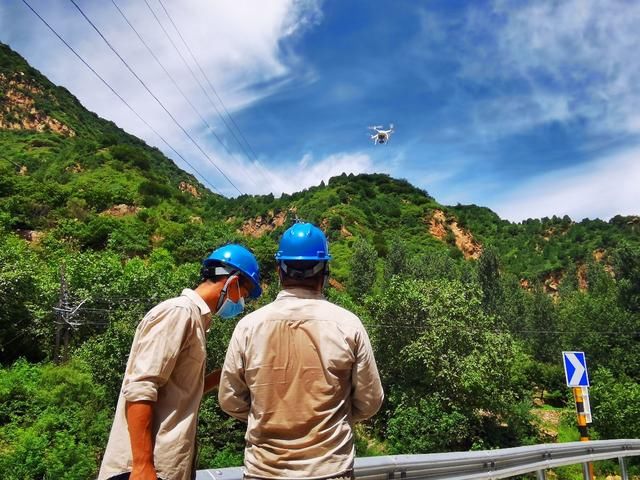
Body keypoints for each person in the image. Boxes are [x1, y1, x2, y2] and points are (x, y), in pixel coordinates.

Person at [219, 222, 384, 479]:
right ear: (325, 272)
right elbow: (370, 400)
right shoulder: (347, 325)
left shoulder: (248, 327)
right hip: (329, 469)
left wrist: (266, 416)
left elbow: (230, 399)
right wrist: (333, 418)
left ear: (279, 271)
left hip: (264, 470)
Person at [98, 244, 262, 480]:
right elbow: (140, 387)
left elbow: (179, 391)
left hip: (166, 468)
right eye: (244, 295)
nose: (241, 304)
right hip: (145, 470)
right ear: (232, 283)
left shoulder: (196, 321)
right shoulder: (178, 313)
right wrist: (143, 465)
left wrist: (220, 376)